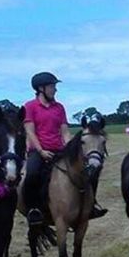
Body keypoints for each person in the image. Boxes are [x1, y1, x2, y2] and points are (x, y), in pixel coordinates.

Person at [22, 72, 106, 225]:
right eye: (52, 86)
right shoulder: (30, 106)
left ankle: (91, 205)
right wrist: (40, 151)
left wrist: (70, 149)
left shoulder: (59, 108)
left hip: (58, 150)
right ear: (41, 88)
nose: (55, 90)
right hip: (38, 150)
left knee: (88, 172)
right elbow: (30, 131)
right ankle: (34, 209)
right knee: (32, 174)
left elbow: (65, 132)